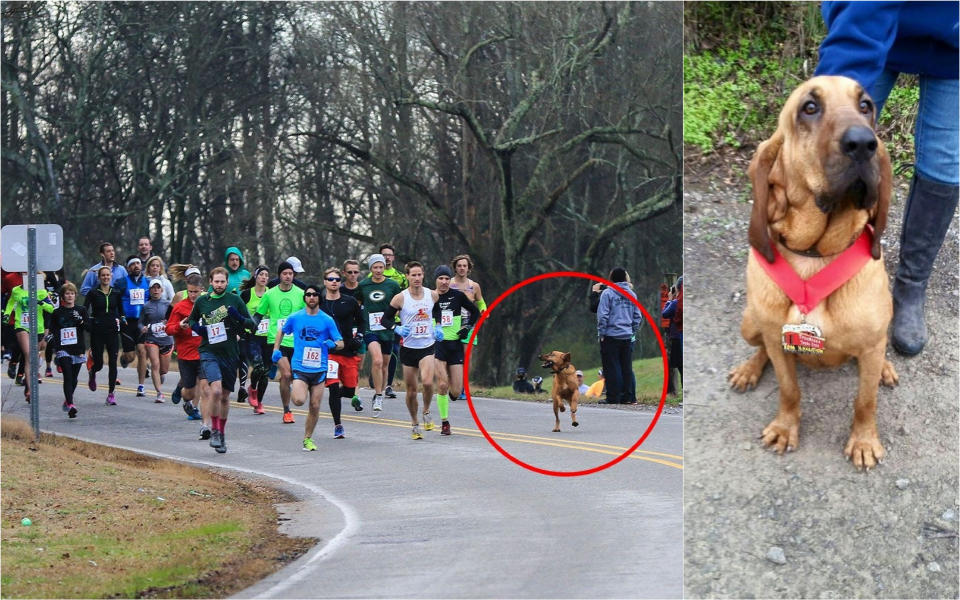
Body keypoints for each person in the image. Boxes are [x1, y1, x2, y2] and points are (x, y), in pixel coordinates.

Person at [815, 2, 959, 356]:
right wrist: (827, 107)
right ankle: (820, 269)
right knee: (835, 142)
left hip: (953, 48)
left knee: (945, 164)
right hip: (872, 22)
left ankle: (911, 285)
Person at [183, 267, 256, 454]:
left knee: (224, 396)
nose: (219, 285)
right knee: (214, 390)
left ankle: (221, 434)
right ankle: (214, 430)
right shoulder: (202, 301)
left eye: (222, 282)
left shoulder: (234, 300)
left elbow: (251, 325)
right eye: (216, 281)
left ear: (226, 282)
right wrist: (200, 330)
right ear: (210, 282)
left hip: (230, 354)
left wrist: (238, 317)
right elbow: (191, 321)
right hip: (209, 352)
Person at [274, 282, 344, 450]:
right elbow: (282, 330)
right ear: (305, 298)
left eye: (314, 295)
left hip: (319, 368)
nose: (311, 297)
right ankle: (293, 388)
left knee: (314, 405)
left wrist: (333, 345)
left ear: (319, 298)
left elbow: (340, 342)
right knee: (298, 400)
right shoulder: (296, 317)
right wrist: (276, 349)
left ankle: (307, 439)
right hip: (300, 366)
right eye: (309, 295)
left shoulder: (327, 320)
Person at [380, 261, 439, 440]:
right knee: (411, 390)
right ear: (407, 277)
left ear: (423, 275)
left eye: (419, 274)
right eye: (413, 275)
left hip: (427, 346)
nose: (417, 278)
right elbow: (385, 320)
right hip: (408, 348)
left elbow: (438, 313)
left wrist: (439, 327)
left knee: (428, 383)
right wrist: (396, 328)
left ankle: (426, 410)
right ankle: (414, 423)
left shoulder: (432, 295)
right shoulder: (400, 298)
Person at [254, 261, 306, 423]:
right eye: (285, 273)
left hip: (296, 342)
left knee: (291, 377)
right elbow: (258, 316)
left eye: (291, 274)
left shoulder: (300, 293)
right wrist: (246, 328)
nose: (288, 276)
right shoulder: (270, 294)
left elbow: (309, 314)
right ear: (279, 275)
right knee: (286, 373)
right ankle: (286, 410)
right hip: (275, 341)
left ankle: (288, 402)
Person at [431, 265, 479, 435]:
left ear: (450, 280)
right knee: (443, 384)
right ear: (435, 280)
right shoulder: (430, 297)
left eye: (446, 279)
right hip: (438, 345)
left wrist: (467, 327)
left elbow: (475, 312)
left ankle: (447, 396)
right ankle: (445, 422)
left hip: (455, 345)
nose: (443, 282)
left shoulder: (457, 296)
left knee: (456, 391)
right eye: (440, 278)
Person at [319, 267, 366, 435]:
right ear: (325, 282)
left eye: (337, 280)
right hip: (329, 352)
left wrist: (359, 337)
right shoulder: (320, 303)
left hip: (348, 351)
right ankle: (338, 425)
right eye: (330, 279)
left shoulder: (350, 301)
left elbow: (362, 321)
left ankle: (334, 397)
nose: (334, 282)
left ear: (340, 282)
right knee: (333, 387)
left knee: (349, 389)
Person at [357, 254, 401, 415]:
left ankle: (380, 391)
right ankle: (378, 394)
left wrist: (399, 322)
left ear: (384, 268)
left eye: (380, 267)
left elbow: (400, 304)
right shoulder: (363, 285)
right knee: (377, 360)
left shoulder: (393, 285)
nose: (378, 270)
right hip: (370, 329)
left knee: (384, 365)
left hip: (387, 329)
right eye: (375, 267)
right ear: (370, 269)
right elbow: (358, 303)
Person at [3, 273, 54, 401]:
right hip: (22, 325)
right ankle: (31, 391)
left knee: (31, 358)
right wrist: (7, 314)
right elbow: (10, 303)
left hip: (38, 328)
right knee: (29, 354)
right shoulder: (16, 290)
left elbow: (51, 309)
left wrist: (41, 302)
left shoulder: (42, 291)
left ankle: (27, 385)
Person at [165, 270, 206, 429]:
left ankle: (199, 414)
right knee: (189, 390)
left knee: (204, 385)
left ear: (202, 289)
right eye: (190, 292)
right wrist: (179, 327)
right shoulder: (180, 307)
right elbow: (168, 329)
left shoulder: (207, 304)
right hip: (186, 355)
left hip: (204, 352)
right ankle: (186, 398)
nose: (193, 295)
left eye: (196, 292)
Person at [597, 267, 642, 404]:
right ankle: (628, 396)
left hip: (611, 335)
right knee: (626, 367)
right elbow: (637, 316)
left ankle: (613, 396)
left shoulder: (607, 293)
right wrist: (632, 330)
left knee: (612, 367)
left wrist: (602, 332)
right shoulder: (632, 295)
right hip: (627, 336)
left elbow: (603, 315)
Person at [84, 265, 125, 405]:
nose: (106, 277)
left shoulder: (116, 293)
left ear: (111, 276)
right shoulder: (93, 292)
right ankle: (92, 372)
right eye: (103, 275)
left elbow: (121, 311)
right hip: (97, 331)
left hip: (112, 331)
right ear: (99, 277)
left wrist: (122, 319)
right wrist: (89, 324)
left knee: (113, 363)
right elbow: (85, 310)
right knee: (100, 364)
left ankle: (111, 394)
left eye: (108, 275)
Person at [47, 282, 88, 418]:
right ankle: (71, 404)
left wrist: (81, 321)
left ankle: (67, 399)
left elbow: (89, 328)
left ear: (75, 296)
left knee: (74, 379)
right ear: (62, 296)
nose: (69, 296)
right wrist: (51, 338)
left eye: (72, 293)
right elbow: (53, 328)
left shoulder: (81, 310)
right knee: (68, 376)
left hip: (78, 348)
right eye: (67, 293)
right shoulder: (57, 312)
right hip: (63, 348)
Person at [450, 253, 487, 400]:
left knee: (467, 356)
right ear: (455, 268)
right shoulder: (448, 282)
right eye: (459, 266)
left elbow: (481, 302)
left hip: (469, 324)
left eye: (464, 266)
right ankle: (454, 386)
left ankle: (464, 387)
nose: (462, 268)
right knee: (452, 357)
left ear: (469, 268)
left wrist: (483, 310)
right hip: (452, 325)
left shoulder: (474, 286)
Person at [115, 256, 150, 396]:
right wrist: (118, 317)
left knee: (142, 350)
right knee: (131, 356)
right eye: (132, 264)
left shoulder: (147, 282)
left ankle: (141, 386)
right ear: (128, 268)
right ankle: (125, 359)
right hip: (127, 323)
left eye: (138, 263)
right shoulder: (122, 282)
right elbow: (115, 301)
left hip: (141, 322)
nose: (136, 266)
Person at [239, 265, 271, 414]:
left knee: (265, 372)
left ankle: (259, 402)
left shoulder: (272, 294)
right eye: (261, 274)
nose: (264, 277)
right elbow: (237, 311)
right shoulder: (247, 294)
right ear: (256, 277)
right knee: (258, 367)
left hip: (268, 337)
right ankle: (252, 387)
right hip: (251, 336)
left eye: (266, 275)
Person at [377, 244, 407, 399]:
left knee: (394, 351)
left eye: (389, 255)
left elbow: (407, 297)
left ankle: (388, 384)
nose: (387, 258)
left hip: (394, 321)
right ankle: (377, 375)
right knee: (378, 354)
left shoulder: (400, 277)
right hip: (376, 322)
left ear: (393, 258)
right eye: (384, 255)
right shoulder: (371, 276)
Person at [140, 280, 174, 402]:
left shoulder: (168, 305)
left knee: (163, 370)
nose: (155, 290)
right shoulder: (146, 306)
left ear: (162, 290)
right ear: (150, 291)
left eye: (157, 287)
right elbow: (140, 322)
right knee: (155, 364)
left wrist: (169, 323)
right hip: (151, 339)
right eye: (153, 288)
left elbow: (174, 319)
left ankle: (160, 378)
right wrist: (142, 328)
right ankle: (159, 393)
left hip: (166, 339)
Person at [662, 277, 683, 398]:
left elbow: (664, 313)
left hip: (676, 337)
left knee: (680, 366)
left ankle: (675, 392)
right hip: (678, 336)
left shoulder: (675, 303)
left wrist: (670, 299)